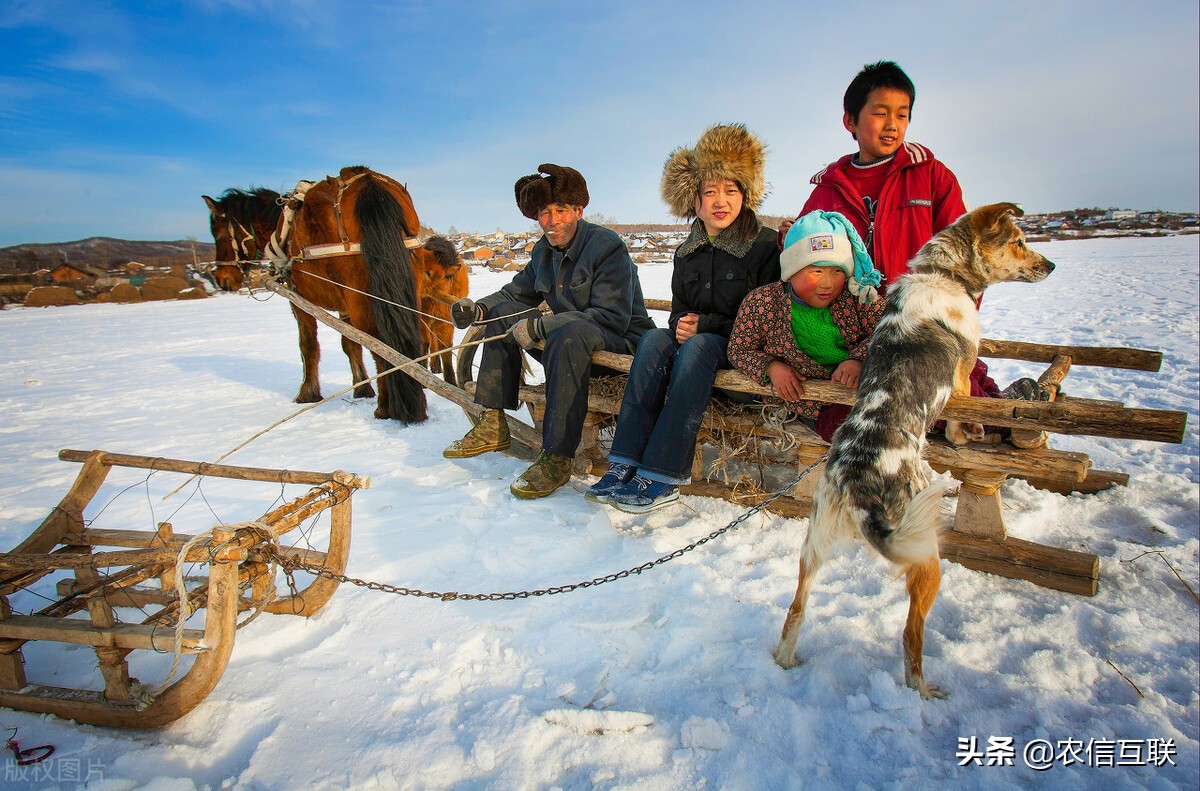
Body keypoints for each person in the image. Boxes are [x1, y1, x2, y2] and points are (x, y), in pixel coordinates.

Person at [781, 59, 1037, 428]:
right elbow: (800, 258)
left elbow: (969, 257)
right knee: (843, 417)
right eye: (880, 113)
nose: (892, 124)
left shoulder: (931, 176)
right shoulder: (827, 190)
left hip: (918, 323)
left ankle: (1013, 414)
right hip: (850, 331)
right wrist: (788, 238)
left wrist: (951, 321)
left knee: (951, 398)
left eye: (902, 115)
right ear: (850, 121)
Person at [586, 124, 782, 514]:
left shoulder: (764, 245)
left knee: (700, 345)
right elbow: (679, 310)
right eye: (710, 191)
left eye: (731, 190)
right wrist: (679, 324)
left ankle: (663, 473)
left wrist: (704, 328)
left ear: (746, 195)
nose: (720, 201)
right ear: (695, 201)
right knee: (654, 340)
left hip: (745, 360)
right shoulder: (685, 252)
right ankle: (624, 461)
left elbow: (770, 321)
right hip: (697, 355)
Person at [444, 164, 655, 499]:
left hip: (622, 346)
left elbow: (609, 316)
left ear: (578, 211)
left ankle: (557, 457)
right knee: (503, 313)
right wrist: (478, 309)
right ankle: (492, 420)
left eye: (560, 211)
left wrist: (539, 326)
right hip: (569, 344)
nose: (552, 221)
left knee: (569, 333)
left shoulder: (606, 246)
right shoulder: (543, 252)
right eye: (544, 213)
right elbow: (515, 294)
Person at [727, 211, 885, 442]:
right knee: (851, 437)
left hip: (861, 395)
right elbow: (739, 350)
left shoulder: (858, 298)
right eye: (816, 271)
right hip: (807, 403)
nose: (827, 283)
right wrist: (771, 368)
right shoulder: (762, 302)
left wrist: (860, 358)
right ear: (791, 272)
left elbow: (891, 332)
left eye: (837, 271)